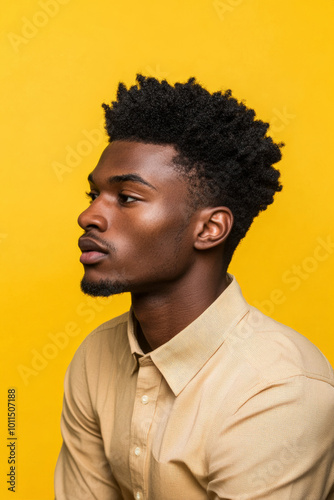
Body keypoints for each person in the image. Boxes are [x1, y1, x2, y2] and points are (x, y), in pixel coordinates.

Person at [54, 75, 334, 499]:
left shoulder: (278, 390)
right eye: (93, 194)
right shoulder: (96, 358)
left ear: (209, 228)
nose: (89, 215)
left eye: (126, 197)